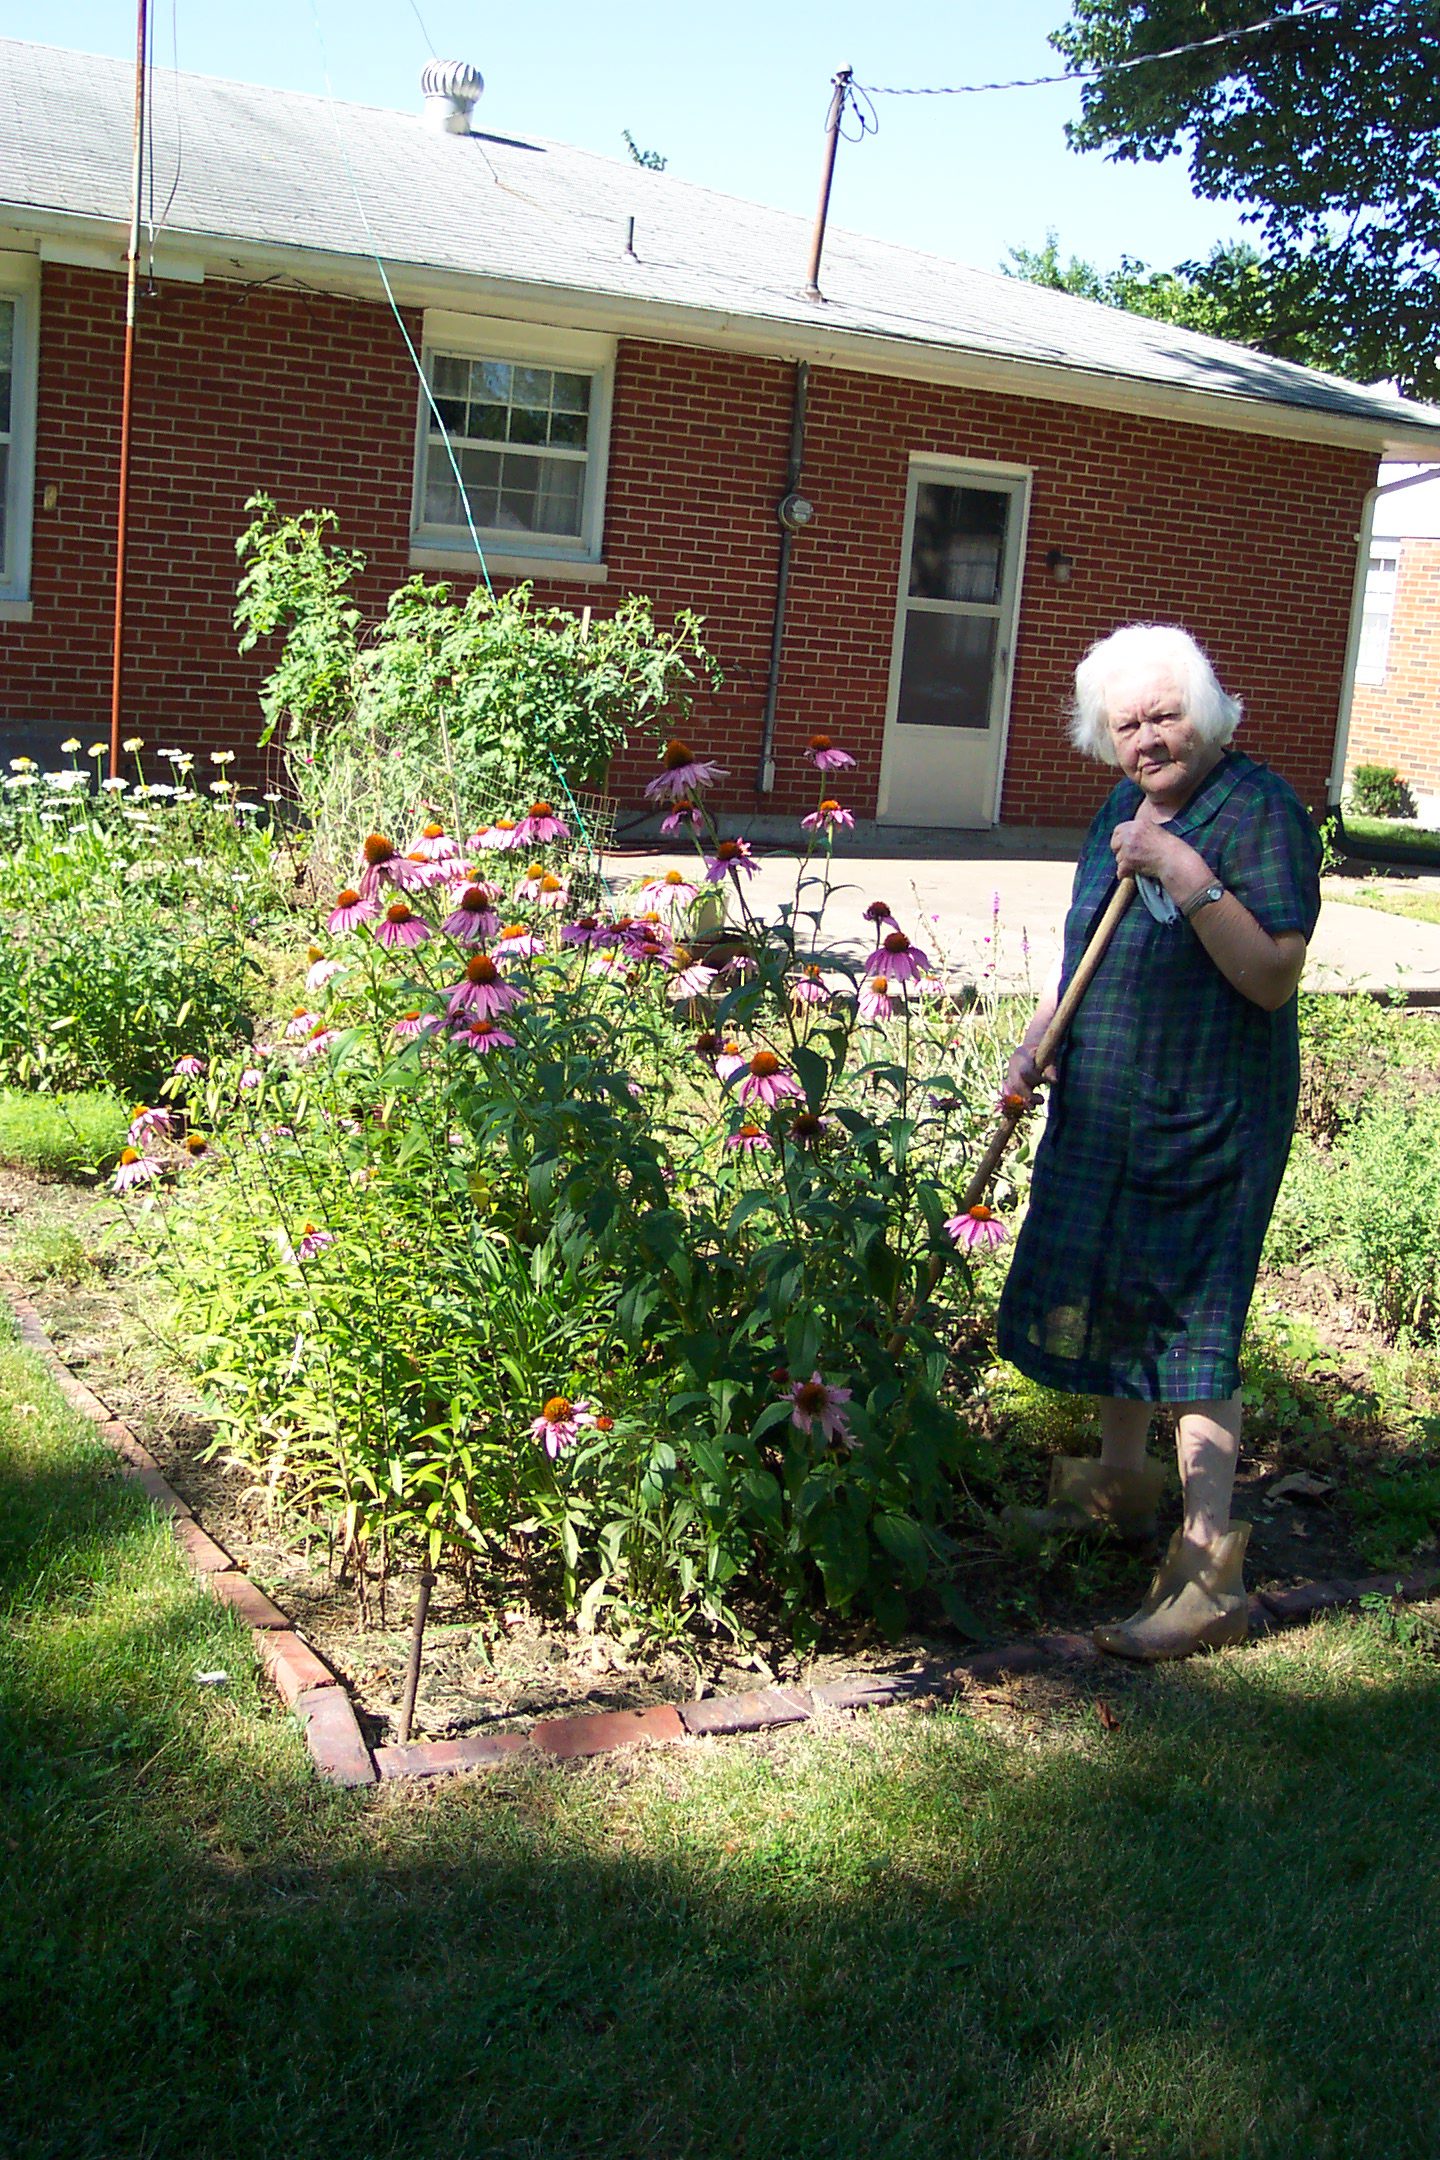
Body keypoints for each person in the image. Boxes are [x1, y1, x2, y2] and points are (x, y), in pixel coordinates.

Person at [997, 623, 1321, 1660]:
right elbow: (1095, 949)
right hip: (1110, 1100)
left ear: (1208, 713)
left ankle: (1210, 1566)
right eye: (1126, 723)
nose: (1147, 737)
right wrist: (1046, 1035)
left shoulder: (1260, 813)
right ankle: (1119, 1485)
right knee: (1112, 1288)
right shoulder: (1119, 811)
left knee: (1194, 1323)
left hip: (1208, 1112)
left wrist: (1182, 867)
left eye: (1165, 714)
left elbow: (1271, 974)